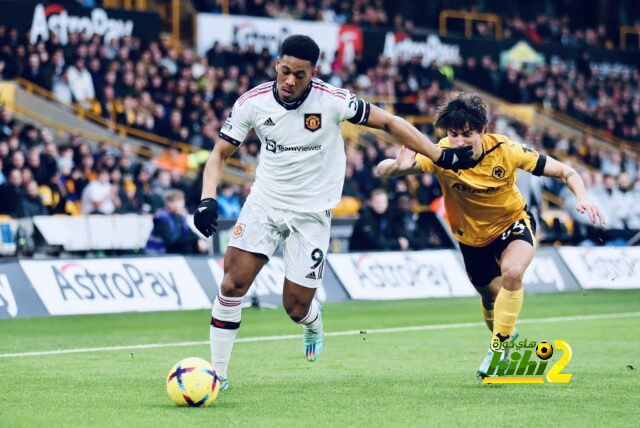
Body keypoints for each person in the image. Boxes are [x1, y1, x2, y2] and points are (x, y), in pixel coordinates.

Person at [193, 35, 476, 390]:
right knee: (232, 283)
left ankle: (312, 319)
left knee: (295, 308)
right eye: (285, 71)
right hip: (265, 203)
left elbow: (389, 122)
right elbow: (219, 154)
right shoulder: (253, 102)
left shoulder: (334, 101)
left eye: (300, 74)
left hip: (311, 213)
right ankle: (217, 376)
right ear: (276, 66)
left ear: (314, 72)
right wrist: (207, 198)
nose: (290, 81)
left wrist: (439, 154)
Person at [375, 93, 605, 379]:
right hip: (472, 240)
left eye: (467, 134)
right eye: (453, 134)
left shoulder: (507, 150)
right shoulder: (439, 153)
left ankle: (498, 348)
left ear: (483, 130)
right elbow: (382, 170)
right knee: (490, 301)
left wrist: (582, 198)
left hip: (513, 223)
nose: (458, 141)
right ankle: (504, 335)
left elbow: (566, 171)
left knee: (512, 272)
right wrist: (398, 165)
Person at [146, 190, 208, 254]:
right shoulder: (160, 218)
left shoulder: (180, 217)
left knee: (201, 245)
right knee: (187, 246)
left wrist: (199, 240)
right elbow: (171, 240)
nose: (176, 204)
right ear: (167, 202)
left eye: (179, 201)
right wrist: (195, 241)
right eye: (172, 201)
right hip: (158, 252)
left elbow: (190, 233)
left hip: (171, 249)